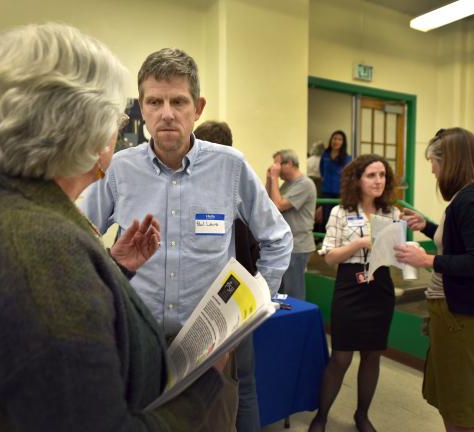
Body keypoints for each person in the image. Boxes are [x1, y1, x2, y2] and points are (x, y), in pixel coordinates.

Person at [0, 23, 226, 432]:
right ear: (82, 129)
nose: (119, 129)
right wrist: (205, 383)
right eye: (118, 117)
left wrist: (113, 269)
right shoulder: (41, 252)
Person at [80, 48, 293, 431]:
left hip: (211, 353)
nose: (166, 113)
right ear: (141, 108)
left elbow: (278, 239)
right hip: (138, 348)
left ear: (197, 106)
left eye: (178, 101)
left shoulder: (230, 166)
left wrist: (242, 320)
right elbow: (76, 235)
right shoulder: (119, 170)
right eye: (154, 102)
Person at [395, 128, 474, 432]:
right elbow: (464, 243)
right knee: (453, 403)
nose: (432, 169)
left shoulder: (471, 200)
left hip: (464, 319)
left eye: (434, 162)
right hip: (459, 316)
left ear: (452, 162)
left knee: (463, 410)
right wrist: (428, 228)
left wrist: (427, 260)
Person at [310, 154, 400, 432]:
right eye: (371, 175)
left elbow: (392, 255)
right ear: (357, 180)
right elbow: (329, 257)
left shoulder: (391, 213)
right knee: (341, 357)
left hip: (380, 286)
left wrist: (405, 250)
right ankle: (321, 416)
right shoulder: (340, 212)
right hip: (350, 285)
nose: (378, 181)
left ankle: (362, 415)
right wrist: (360, 242)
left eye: (382, 175)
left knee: (373, 354)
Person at [193, 119, 262, 432]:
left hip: (216, 307)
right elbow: (257, 250)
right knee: (244, 386)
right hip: (240, 299)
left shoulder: (203, 197)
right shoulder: (244, 191)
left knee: (215, 393)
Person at [266, 149, 317, 300]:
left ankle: (298, 322)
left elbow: (279, 205)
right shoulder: (286, 185)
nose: (274, 167)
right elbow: (267, 205)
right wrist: (270, 180)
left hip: (298, 246)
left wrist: (274, 179)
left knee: (294, 292)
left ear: (289, 164)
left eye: (277, 163)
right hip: (286, 245)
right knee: (283, 292)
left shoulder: (305, 184)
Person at [318, 130, 351, 231]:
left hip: (340, 193)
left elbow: (348, 176)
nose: (336, 141)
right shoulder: (325, 154)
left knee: (338, 217)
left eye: (339, 139)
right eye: (334, 138)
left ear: (343, 142)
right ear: (331, 140)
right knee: (326, 218)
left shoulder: (347, 158)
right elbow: (321, 171)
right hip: (326, 192)